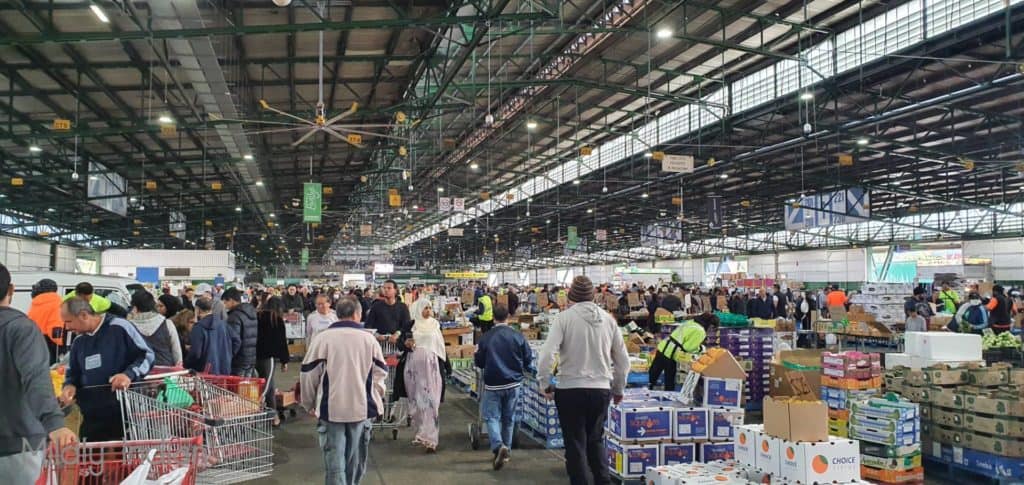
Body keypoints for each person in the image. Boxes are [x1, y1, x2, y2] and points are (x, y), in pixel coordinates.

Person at [537, 276, 629, 485]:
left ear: (570, 297)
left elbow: (546, 356)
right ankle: (603, 481)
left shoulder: (564, 319)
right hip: (600, 390)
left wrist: (544, 383)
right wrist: (618, 388)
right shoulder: (608, 320)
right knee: (596, 440)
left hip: (570, 390)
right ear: (593, 296)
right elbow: (622, 361)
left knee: (575, 444)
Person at [0, 264, 76, 482]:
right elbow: (35, 378)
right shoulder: (21, 329)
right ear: (11, 290)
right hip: (16, 445)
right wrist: (54, 423)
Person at [300, 296, 387, 485]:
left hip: (331, 410)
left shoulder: (322, 339)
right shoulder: (369, 340)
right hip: (361, 409)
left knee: (335, 465)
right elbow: (381, 373)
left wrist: (309, 403)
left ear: (336, 314)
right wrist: (376, 396)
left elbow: (308, 374)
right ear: (358, 314)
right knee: (355, 464)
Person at [60, 298, 154, 441]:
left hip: (124, 412)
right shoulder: (79, 342)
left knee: (123, 459)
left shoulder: (119, 327)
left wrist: (128, 375)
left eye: (69, 321)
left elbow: (147, 355)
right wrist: (70, 385)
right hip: (91, 415)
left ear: (84, 315)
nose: (67, 328)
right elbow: (73, 372)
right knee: (91, 459)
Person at [475, 304, 534, 470]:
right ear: (508, 317)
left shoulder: (486, 337)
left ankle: (497, 445)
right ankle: (506, 450)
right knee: (509, 418)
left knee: (492, 416)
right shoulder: (517, 336)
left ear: (493, 317)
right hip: (514, 382)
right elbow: (528, 358)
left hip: (493, 383)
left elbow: (479, 361)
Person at [401, 298, 448, 452]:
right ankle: (421, 433)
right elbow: (402, 341)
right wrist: (406, 343)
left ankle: (432, 439)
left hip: (433, 371)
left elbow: (440, 346)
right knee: (418, 401)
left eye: (429, 308)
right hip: (414, 372)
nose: (428, 311)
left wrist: (447, 366)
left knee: (432, 403)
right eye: (425, 308)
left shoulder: (435, 325)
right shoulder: (411, 325)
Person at [648, 313, 720, 392]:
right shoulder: (700, 331)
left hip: (663, 347)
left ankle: (646, 391)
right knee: (669, 381)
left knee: (653, 375)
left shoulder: (691, 323)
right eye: (713, 329)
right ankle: (667, 400)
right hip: (672, 354)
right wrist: (701, 349)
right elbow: (688, 347)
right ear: (711, 326)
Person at [128, 290, 183, 367]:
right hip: (165, 371)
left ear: (135, 308)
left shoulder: (129, 326)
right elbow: (176, 351)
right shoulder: (167, 323)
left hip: (139, 371)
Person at [256, 296, 290, 419]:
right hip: (268, 358)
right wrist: (284, 361)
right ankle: (258, 412)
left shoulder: (257, 316)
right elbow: (282, 342)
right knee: (266, 386)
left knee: (269, 386)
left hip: (254, 355)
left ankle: (273, 415)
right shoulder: (276, 320)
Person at [185, 296, 238, 375]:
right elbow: (237, 341)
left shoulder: (198, 327)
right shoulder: (223, 324)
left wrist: (186, 364)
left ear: (197, 309)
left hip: (204, 372)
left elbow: (196, 353)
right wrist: (228, 355)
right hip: (224, 369)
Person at [223, 287, 258, 377]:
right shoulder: (251, 312)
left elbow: (234, 340)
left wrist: (229, 356)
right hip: (251, 358)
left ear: (231, 300)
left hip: (238, 360)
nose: (224, 305)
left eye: (225, 302)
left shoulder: (234, 316)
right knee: (247, 387)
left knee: (236, 388)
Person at [27, 278, 64, 364]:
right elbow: (56, 331)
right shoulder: (57, 304)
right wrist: (63, 348)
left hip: (34, 342)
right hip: (49, 346)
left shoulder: (35, 304)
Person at [364, 280, 411, 344]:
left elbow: (407, 326)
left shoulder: (403, 307)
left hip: (397, 345)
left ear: (395, 290)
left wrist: (397, 333)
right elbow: (368, 326)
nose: (386, 290)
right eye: (384, 288)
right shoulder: (376, 306)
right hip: (379, 344)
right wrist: (376, 335)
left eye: (389, 288)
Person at [63, 281, 129, 318]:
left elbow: (120, 311)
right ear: (77, 294)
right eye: (85, 299)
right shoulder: (65, 301)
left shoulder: (98, 300)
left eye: (90, 297)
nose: (88, 301)